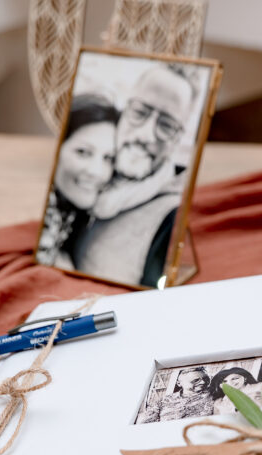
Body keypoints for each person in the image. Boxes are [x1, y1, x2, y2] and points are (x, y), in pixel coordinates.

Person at [73, 63, 200, 287]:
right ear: (123, 112)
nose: (146, 135)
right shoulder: (84, 174)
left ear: (177, 138)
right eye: (140, 113)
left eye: (167, 125)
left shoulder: (171, 217)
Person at [36, 94, 118, 270]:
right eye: (82, 152)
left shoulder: (71, 213)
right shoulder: (37, 211)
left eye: (108, 158)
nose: (96, 172)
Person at [140, 366, 213, 423]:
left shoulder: (216, 397)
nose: (203, 382)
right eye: (196, 380)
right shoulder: (163, 401)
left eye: (206, 379)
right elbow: (146, 423)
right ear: (179, 383)